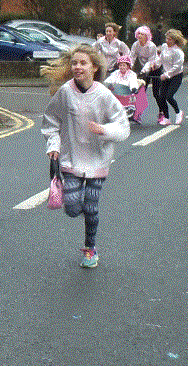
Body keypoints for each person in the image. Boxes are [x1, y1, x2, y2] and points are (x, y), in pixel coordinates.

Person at [41, 44, 130, 268]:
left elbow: (123, 127)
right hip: (70, 161)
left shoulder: (103, 94)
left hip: (98, 161)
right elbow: (51, 122)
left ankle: (90, 249)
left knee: (91, 208)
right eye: (74, 63)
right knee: (72, 208)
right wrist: (53, 145)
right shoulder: (65, 92)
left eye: (83, 63)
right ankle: (87, 214)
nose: (77, 67)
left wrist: (105, 130)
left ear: (94, 67)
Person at [145, 29, 187, 125]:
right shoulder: (164, 47)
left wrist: (166, 75)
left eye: (170, 39)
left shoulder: (178, 52)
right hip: (165, 75)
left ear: (175, 41)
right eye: (167, 39)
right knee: (161, 97)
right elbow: (160, 59)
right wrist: (155, 64)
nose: (167, 41)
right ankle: (167, 118)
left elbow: (177, 67)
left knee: (169, 96)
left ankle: (178, 112)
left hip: (176, 76)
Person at [129, 26, 158, 124]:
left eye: (142, 34)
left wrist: (144, 71)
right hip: (143, 70)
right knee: (140, 91)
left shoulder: (151, 46)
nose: (139, 36)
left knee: (156, 94)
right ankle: (137, 115)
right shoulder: (136, 45)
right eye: (138, 34)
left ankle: (162, 113)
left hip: (154, 69)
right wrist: (128, 67)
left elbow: (151, 61)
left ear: (147, 36)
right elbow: (132, 57)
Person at [104, 54, 144, 124]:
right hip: (117, 93)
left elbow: (132, 81)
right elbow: (109, 80)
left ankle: (133, 115)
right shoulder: (115, 73)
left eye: (124, 65)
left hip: (127, 93)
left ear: (128, 66)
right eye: (120, 65)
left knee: (132, 101)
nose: (122, 67)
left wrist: (134, 88)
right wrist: (105, 85)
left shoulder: (132, 74)